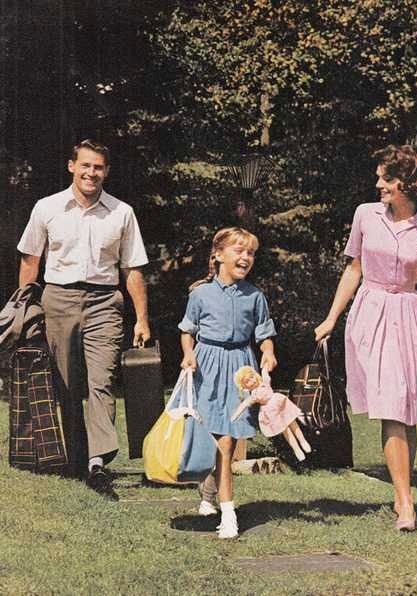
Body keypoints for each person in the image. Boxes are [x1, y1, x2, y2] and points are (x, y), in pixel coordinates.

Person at [315, 144, 417, 531]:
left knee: (406, 411)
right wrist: (332, 317)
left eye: (385, 177)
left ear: (406, 183)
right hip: (370, 314)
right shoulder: (365, 216)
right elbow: (354, 269)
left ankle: (403, 493)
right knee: (390, 407)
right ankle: (405, 502)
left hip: (410, 316)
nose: (378, 183)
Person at [17, 139, 151, 499]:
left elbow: (133, 269)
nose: (92, 173)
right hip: (57, 298)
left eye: (99, 167)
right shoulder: (47, 208)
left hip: (104, 301)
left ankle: (97, 463)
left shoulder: (121, 212)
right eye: (86, 166)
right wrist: (25, 309)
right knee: (66, 384)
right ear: (71, 166)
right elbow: (31, 260)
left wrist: (142, 319)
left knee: (101, 380)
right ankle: (74, 458)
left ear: (106, 171)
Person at [179, 227, 277, 539]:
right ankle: (207, 494)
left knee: (228, 440)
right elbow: (187, 330)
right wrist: (188, 354)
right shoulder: (200, 294)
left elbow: (264, 333)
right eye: (239, 251)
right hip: (206, 365)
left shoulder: (255, 296)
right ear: (218, 255)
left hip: (239, 369)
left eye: (250, 253)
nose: (246, 257)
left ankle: (229, 513)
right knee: (208, 433)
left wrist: (269, 353)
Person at [231, 366, 311, 461]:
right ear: (244, 386)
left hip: (279, 402)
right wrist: (235, 415)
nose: (252, 381)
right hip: (270, 412)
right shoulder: (254, 395)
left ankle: (303, 441)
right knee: (285, 430)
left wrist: (265, 362)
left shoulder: (264, 382)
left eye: (252, 377)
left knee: (292, 422)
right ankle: (297, 449)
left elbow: (265, 370)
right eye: (247, 381)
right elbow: (244, 404)